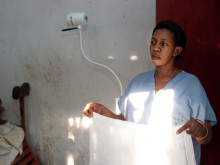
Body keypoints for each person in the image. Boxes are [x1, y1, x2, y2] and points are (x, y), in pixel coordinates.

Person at [83, 20, 217, 165]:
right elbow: (124, 123)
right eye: (153, 42)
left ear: (176, 50)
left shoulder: (191, 84)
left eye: (163, 44)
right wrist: (100, 110)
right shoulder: (138, 82)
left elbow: (207, 137)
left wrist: (200, 130)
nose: (156, 48)